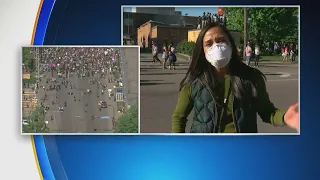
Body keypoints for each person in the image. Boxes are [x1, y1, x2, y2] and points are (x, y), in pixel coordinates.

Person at [171, 22, 298, 133]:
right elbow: (179, 118)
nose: (216, 47)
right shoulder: (194, 81)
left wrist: (285, 117)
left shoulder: (252, 78)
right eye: (209, 44)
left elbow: (268, 112)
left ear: (230, 44)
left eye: (221, 40)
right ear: (202, 51)